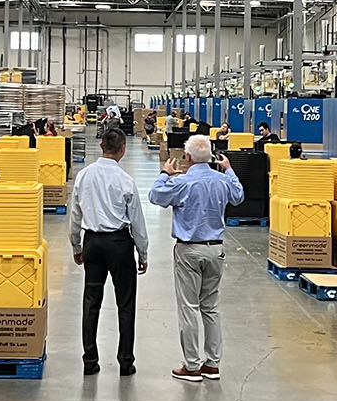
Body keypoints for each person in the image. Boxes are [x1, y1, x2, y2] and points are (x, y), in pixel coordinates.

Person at [148, 134, 243, 383]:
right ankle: (212, 364)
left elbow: (155, 196)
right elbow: (239, 195)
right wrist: (229, 170)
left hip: (189, 250)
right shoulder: (222, 180)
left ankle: (191, 366)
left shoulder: (183, 183)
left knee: (189, 308)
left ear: (187, 157)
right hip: (215, 249)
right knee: (210, 308)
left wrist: (165, 173)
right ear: (211, 156)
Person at [69, 124, 151, 375]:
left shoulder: (84, 176)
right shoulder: (125, 180)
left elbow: (75, 214)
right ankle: (126, 362)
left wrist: (77, 245)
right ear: (123, 150)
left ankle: (90, 361)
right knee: (125, 303)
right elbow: (136, 220)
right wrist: (142, 252)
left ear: (102, 145)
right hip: (119, 244)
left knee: (91, 301)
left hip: (92, 242)